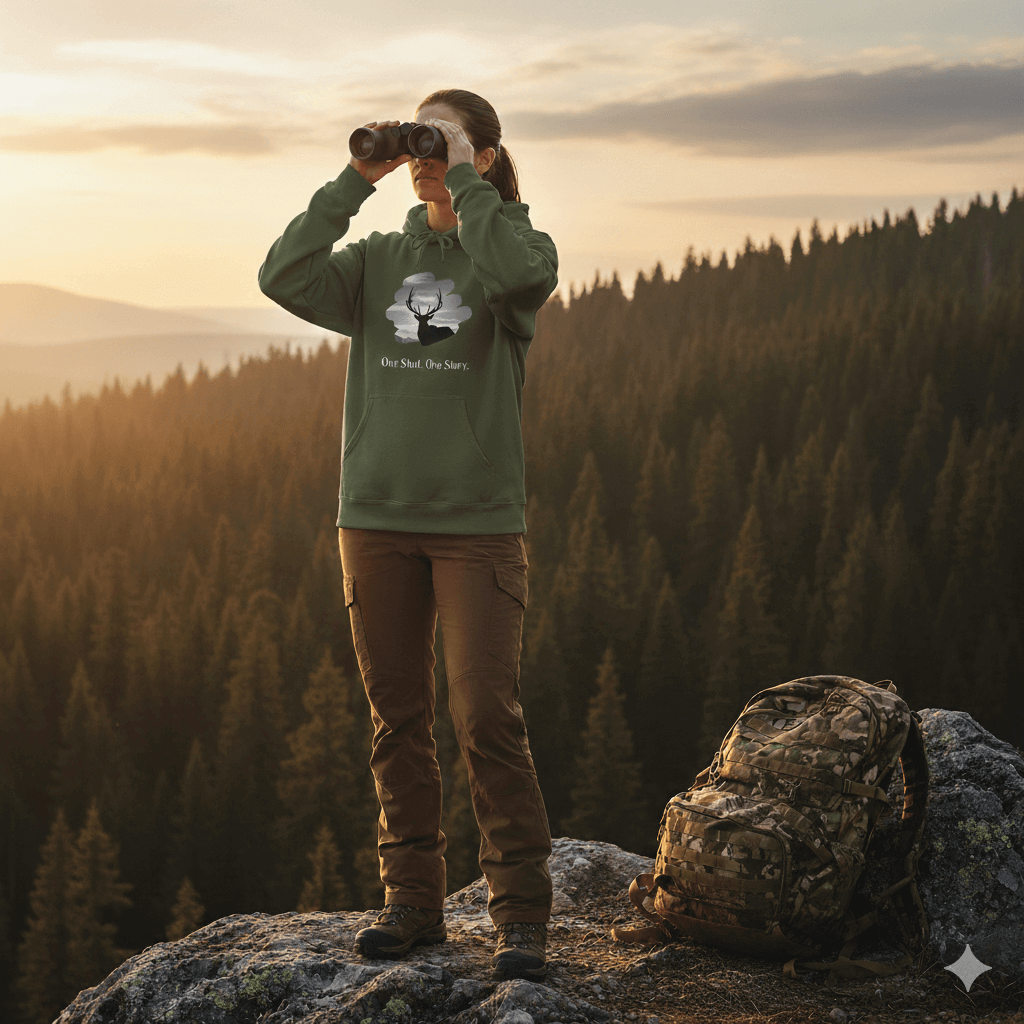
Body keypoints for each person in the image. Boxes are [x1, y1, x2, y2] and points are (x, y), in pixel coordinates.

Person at [258, 89, 557, 981]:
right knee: (397, 720)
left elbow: (517, 280)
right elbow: (284, 273)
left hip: (475, 527)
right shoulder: (380, 259)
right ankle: (414, 904)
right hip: (375, 519)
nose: (424, 153)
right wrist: (359, 175)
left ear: (488, 157)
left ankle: (521, 919)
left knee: (487, 718)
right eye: (418, 138)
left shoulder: (515, 247)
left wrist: (466, 181)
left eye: (444, 140)